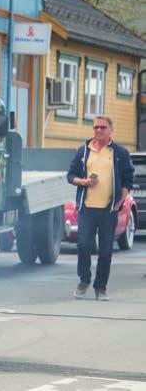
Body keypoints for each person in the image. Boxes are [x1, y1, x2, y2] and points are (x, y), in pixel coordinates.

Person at [67, 116, 133, 301]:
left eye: (103, 127)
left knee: (105, 251)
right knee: (83, 246)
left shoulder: (119, 152)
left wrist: (120, 201)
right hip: (87, 208)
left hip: (108, 210)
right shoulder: (83, 151)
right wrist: (84, 181)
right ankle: (84, 281)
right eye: (96, 127)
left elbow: (128, 178)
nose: (98, 130)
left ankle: (100, 287)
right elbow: (70, 175)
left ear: (111, 130)